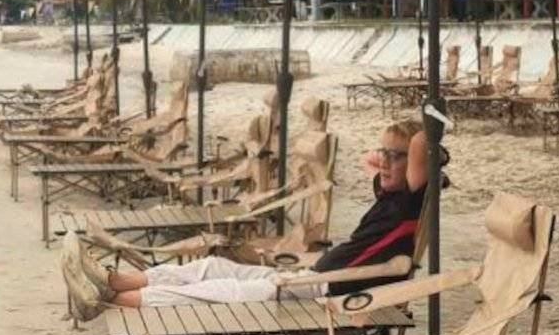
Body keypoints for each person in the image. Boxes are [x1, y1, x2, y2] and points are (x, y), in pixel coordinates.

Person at [61, 120, 429, 321]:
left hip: (331, 293)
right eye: (381, 152)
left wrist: (433, 118)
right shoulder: (391, 197)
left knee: (220, 293)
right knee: (211, 265)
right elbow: (402, 156)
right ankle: (113, 281)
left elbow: (422, 145)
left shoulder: (412, 202)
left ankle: (109, 301)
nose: (383, 162)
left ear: (419, 164)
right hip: (312, 278)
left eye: (396, 156)